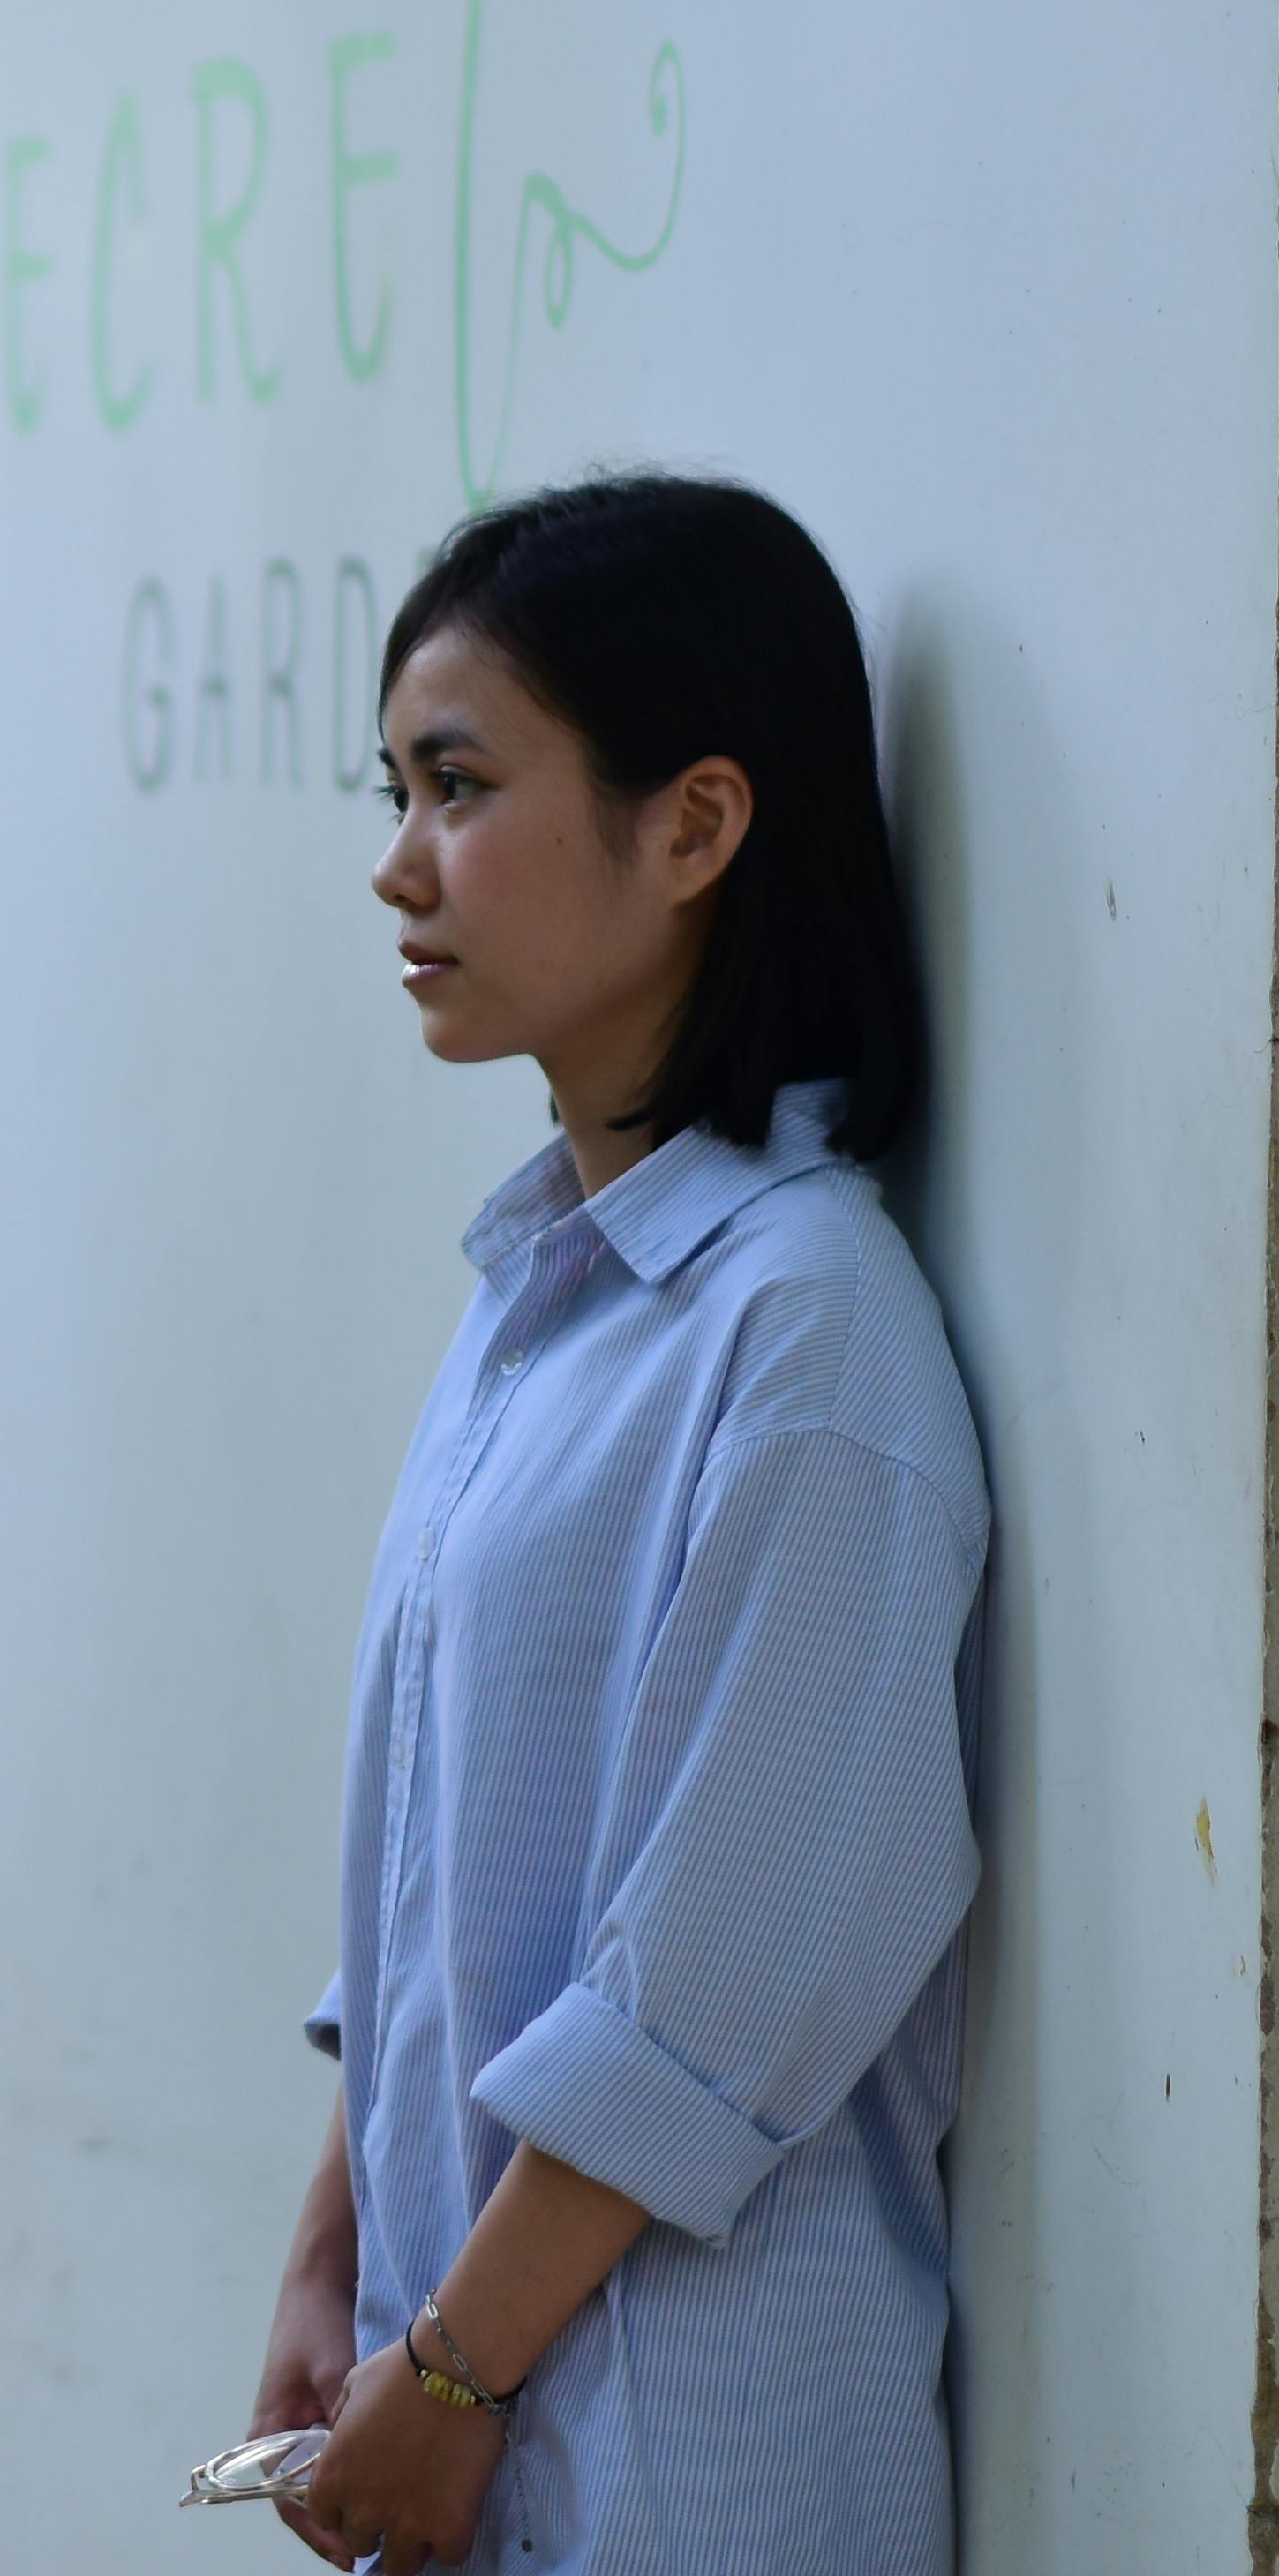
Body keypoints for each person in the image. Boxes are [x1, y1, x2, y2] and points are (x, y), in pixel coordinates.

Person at [247, 476, 985, 2572]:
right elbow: (445, 1879)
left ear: (697, 824)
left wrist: (462, 2372)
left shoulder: (809, 1337)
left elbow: (707, 1994)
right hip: (478, 2415)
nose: (400, 864)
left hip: (691, 2479)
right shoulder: (540, 1301)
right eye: (394, 788)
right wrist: (335, 2251)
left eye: (458, 785)